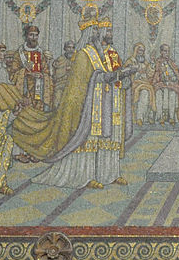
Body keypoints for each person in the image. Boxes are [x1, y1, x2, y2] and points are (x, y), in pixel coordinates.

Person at [32, 21, 138, 188]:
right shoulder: (84, 54)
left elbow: (111, 74)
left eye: (99, 30)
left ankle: (110, 174)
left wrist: (124, 76)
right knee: (90, 140)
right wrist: (113, 76)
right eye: (96, 30)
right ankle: (85, 176)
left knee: (110, 138)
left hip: (110, 102)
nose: (100, 33)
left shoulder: (107, 53)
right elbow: (88, 79)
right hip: (91, 105)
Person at [18, 26, 53, 108]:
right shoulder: (20, 53)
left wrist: (42, 75)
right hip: (26, 88)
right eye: (31, 35)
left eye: (36, 35)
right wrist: (28, 73)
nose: (34, 38)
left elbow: (46, 71)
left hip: (39, 87)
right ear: (26, 36)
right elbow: (13, 72)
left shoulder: (41, 53)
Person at [151, 43, 179, 124]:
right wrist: (161, 72)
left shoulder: (171, 63)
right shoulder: (157, 62)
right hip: (160, 85)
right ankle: (160, 117)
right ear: (161, 52)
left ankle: (171, 117)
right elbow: (154, 76)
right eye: (164, 51)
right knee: (160, 93)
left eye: (168, 51)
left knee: (172, 93)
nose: (166, 53)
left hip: (171, 85)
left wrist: (172, 79)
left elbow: (177, 76)